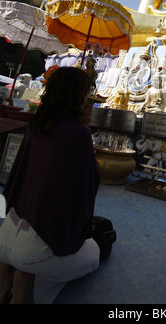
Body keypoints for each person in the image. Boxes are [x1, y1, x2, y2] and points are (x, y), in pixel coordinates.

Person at [0, 67, 116, 304]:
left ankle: (13, 285)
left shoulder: (36, 125)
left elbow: (18, 179)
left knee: (27, 254)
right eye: (86, 93)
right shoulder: (78, 134)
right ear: (77, 95)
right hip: (35, 246)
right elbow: (86, 187)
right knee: (92, 252)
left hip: (7, 232)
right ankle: (24, 296)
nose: (89, 98)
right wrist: (83, 128)